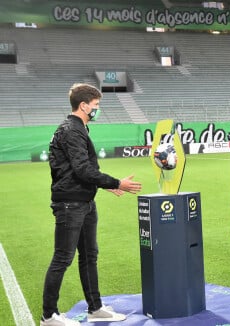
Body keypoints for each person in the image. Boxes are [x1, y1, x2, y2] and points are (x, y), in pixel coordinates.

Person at [42, 83, 142, 326]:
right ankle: (49, 316)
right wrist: (116, 181)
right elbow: (82, 169)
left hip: (83, 201)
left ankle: (95, 308)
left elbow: (84, 170)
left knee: (89, 256)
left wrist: (107, 185)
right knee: (63, 258)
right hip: (71, 204)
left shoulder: (78, 128)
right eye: (96, 106)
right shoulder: (72, 130)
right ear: (83, 105)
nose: (97, 110)